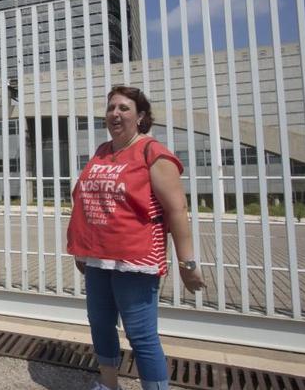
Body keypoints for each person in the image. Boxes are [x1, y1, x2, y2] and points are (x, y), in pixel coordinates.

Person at [67, 86, 206, 390]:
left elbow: (177, 210)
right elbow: (88, 202)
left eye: (124, 108)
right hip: (97, 257)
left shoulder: (153, 153)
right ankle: (108, 384)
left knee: (141, 334)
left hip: (136, 259)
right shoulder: (103, 150)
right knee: (100, 324)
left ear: (141, 116)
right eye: (111, 107)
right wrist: (81, 250)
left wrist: (187, 262)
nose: (115, 113)